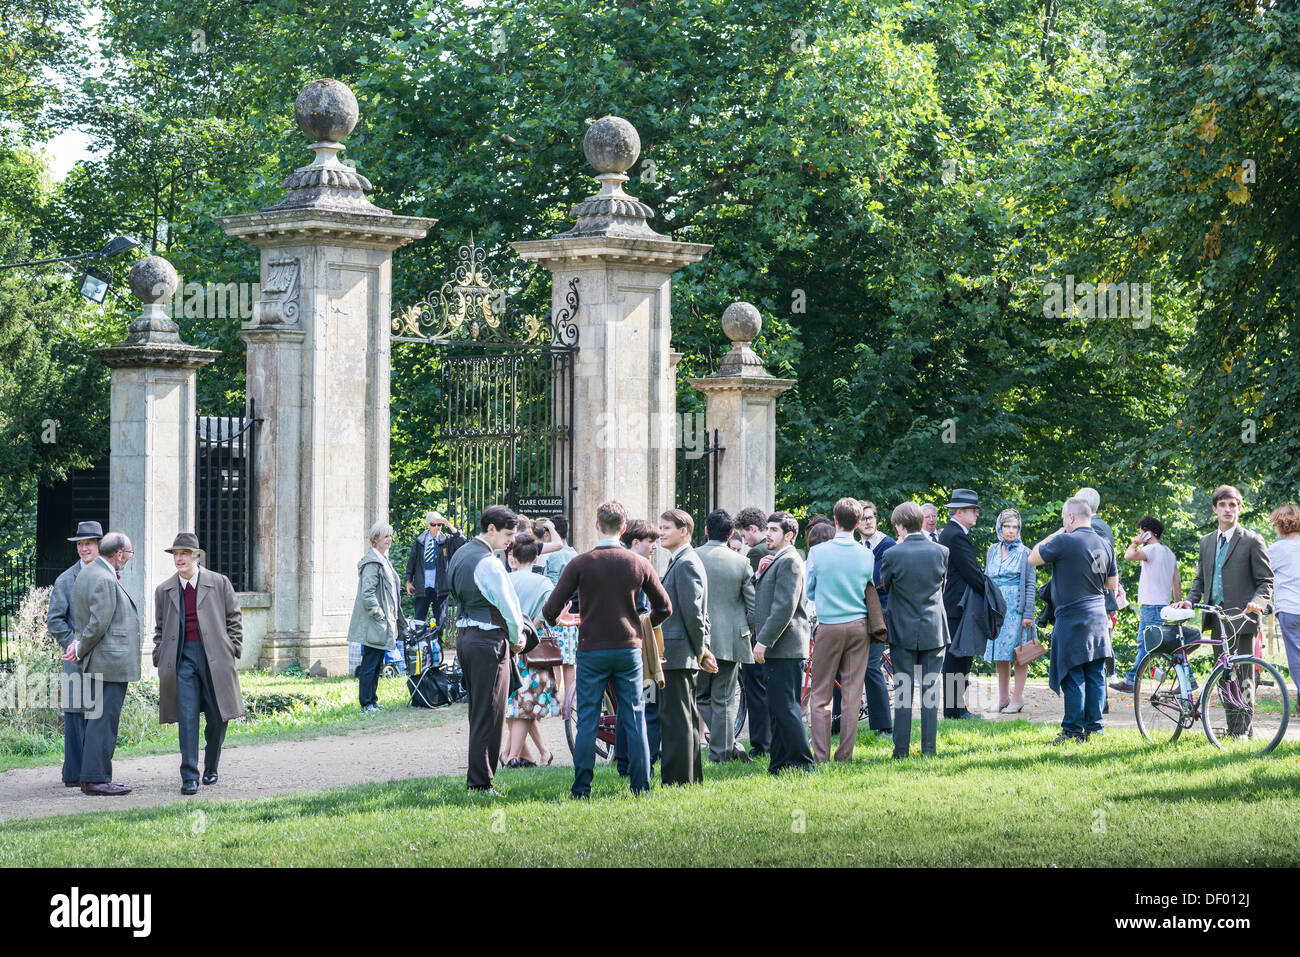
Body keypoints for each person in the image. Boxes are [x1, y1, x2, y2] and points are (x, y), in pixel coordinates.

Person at [543, 501, 671, 798]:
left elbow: (550, 609)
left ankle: (582, 788)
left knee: (587, 718)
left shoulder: (580, 563)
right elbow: (665, 607)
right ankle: (641, 786)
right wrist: (644, 623)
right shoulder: (639, 564)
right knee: (635, 715)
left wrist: (561, 617)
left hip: (592, 649)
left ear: (597, 525)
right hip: (629, 650)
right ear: (624, 529)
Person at [1173, 485, 1272, 736]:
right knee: (1226, 676)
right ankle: (1235, 728)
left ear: (1239, 508)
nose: (1228, 509)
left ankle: (1243, 729)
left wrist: (1257, 602)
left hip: (1242, 618)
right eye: (1223, 505)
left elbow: (1265, 581)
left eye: (1233, 505)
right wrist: (1189, 601)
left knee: (1245, 677)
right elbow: (1200, 581)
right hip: (1217, 619)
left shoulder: (1252, 540)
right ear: (1214, 509)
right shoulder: (1207, 542)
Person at [447, 505, 532, 794]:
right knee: (490, 713)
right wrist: (517, 638)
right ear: (491, 529)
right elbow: (510, 609)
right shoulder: (489, 562)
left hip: (466, 637)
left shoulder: (461, 553)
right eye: (508, 534)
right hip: (488, 641)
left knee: (479, 711)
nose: (510, 540)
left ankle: (479, 779)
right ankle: (481, 783)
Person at [152, 532, 245, 794]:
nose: (179, 559)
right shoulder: (164, 590)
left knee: (218, 716)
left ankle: (211, 765)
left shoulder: (219, 583)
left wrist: (233, 647)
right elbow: (160, 629)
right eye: (175, 554)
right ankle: (189, 776)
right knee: (187, 716)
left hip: (214, 657)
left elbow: (234, 618)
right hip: (182, 660)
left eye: (184, 554)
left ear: (196, 556)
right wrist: (160, 654)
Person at [1029, 497, 1118, 743]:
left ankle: (1072, 731)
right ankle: (1095, 729)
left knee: (1073, 674)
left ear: (1070, 517)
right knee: (1095, 675)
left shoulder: (1064, 540)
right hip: (1099, 617)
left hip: (1072, 618)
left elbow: (1033, 557)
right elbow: (1112, 584)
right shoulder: (1105, 543)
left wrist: (1055, 534)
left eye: (1063, 520)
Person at [66, 531, 139, 795]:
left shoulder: (90, 571)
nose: (129, 558)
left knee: (98, 720)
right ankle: (96, 779)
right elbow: (97, 624)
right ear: (118, 554)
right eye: (129, 553)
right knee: (103, 722)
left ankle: (93, 777)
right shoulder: (104, 577)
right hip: (108, 663)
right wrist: (80, 648)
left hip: (102, 662)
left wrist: (78, 647)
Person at [805, 497, 876, 762]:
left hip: (829, 625)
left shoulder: (818, 553)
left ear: (835, 520)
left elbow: (810, 590)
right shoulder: (866, 554)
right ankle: (844, 755)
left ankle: (820, 755)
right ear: (858, 524)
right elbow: (867, 585)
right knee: (852, 692)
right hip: (859, 626)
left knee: (821, 692)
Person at [879, 502, 950, 757]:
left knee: (903, 691)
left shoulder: (892, 555)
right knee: (931, 691)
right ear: (921, 521)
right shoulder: (942, 551)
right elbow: (941, 584)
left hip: (902, 628)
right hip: (934, 627)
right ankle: (929, 749)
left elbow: (885, 585)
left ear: (899, 526)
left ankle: (901, 750)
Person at [657, 509, 718, 786]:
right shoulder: (680, 561)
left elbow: (693, 613)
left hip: (680, 654)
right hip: (682, 652)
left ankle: (678, 780)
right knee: (684, 718)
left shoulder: (685, 563)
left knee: (677, 720)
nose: (661, 532)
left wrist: (701, 650)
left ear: (684, 531)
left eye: (667, 527)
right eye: (660, 527)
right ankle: (689, 778)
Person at [752, 512, 815, 774]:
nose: (767, 533)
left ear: (788, 535)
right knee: (777, 708)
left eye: (774, 530)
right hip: (780, 648)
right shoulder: (777, 560)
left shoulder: (790, 561)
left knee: (786, 708)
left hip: (785, 648)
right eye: (767, 528)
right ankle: (779, 764)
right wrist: (758, 574)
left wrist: (763, 641)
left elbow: (783, 608)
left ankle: (804, 763)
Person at [696, 509, 756, 763]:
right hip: (732, 638)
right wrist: (748, 630)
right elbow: (752, 606)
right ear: (731, 533)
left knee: (700, 696)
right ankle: (725, 748)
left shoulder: (692, 557)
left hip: (698, 637)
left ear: (706, 530)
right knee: (723, 697)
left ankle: (721, 750)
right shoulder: (741, 562)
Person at [46, 520, 102, 788]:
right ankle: (73, 774)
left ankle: (93, 772)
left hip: (103, 657)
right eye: (80, 544)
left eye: (88, 543)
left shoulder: (109, 575)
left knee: (98, 714)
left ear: (99, 546)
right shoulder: (65, 580)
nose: (84, 548)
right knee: (75, 714)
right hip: (75, 658)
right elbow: (55, 620)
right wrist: (74, 646)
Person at [503, 533, 560, 768]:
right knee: (527, 706)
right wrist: (532, 628)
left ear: (513, 558)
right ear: (536, 558)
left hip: (507, 648)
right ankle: (513, 757)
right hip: (535, 652)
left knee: (517, 706)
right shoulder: (545, 584)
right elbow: (552, 614)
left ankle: (515, 755)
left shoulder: (505, 580)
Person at [615, 519, 664, 773]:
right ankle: (646, 761)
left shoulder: (612, 563)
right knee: (649, 708)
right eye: (650, 541)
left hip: (611, 646)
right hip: (639, 648)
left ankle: (623, 762)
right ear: (636, 542)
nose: (654, 546)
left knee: (626, 709)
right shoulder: (640, 568)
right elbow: (658, 609)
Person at [1111, 516, 1180, 693]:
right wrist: (1177, 602)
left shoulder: (1151, 550)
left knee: (1150, 644)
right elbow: (1176, 581)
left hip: (1150, 605)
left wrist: (1135, 542)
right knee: (1155, 643)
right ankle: (1131, 679)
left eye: (1141, 532)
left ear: (1148, 533)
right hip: (1163, 605)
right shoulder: (1168, 552)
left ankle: (1131, 679)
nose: (1139, 535)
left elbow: (1128, 556)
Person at [348, 523, 407, 714]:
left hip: (383, 622)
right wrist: (379, 614)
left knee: (377, 663)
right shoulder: (372, 562)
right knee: (370, 663)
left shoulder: (383, 560)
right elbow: (368, 593)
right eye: (385, 537)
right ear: (375, 540)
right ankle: (366, 703)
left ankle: (372, 700)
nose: (389, 540)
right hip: (376, 622)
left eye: (390, 536)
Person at [983, 509, 1036, 713]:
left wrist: (1028, 614)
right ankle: (1003, 698)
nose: (1011, 531)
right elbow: (987, 579)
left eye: (1014, 527)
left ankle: (1017, 698)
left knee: (1019, 654)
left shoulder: (1026, 553)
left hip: (1016, 609)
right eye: (1007, 526)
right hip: (996, 608)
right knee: (1000, 654)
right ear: (1000, 528)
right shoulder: (993, 550)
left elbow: (1030, 584)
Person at [939, 488, 985, 719]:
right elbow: (972, 572)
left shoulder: (952, 532)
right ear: (960, 511)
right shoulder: (956, 535)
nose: (977, 514)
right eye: (973, 510)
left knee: (958, 657)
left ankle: (955, 708)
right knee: (958, 658)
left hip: (954, 604)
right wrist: (989, 591)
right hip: (957, 606)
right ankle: (955, 710)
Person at [732, 505, 772, 757]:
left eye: (744, 535)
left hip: (757, 631)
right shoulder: (774, 548)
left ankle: (761, 743)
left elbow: (750, 594)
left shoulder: (757, 553)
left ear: (753, 529)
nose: (744, 541)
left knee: (754, 688)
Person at [855, 499, 894, 733]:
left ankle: (883, 726)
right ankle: (840, 724)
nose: (868, 522)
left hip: (884, 613)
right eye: (863, 519)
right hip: (862, 612)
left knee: (871, 666)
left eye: (871, 517)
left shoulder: (887, 545)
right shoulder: (857, 548)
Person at [537, 515, 579, 715]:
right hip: (571, 614)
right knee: (569, 662)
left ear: (549, 533)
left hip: (556, 615)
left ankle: (555, 702)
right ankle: (569, 705)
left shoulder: (553, 556)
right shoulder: (575, 554)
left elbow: (551, 587)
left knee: (554, 661)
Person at [404, 511, 466, 627]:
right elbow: (411, 561)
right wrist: (408, 581)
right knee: (419, 620)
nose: (437, 527)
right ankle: (419, 643)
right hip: (423, 585)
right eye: (434, 524)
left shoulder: (446, 540)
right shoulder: (420, 541)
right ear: (428, 525)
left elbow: (461, 542)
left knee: (439, 621)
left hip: (440, 587)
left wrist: (449, 525)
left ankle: (438, 644)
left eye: (439, 525)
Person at [1267, 504, 1300, 705]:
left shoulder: (1276, 549)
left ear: (1280, 524)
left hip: (1289, 609)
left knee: (1296, 657)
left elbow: (1264, 578)